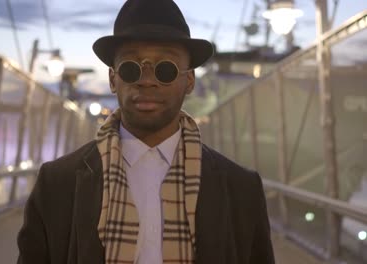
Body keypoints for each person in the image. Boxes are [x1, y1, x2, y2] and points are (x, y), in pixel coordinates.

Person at [17, 0, 275, 263]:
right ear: (112, 79)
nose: (148, 80)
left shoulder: (242, 190)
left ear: (189, 81)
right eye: (131, 68)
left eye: (166, 69)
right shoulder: (56, 185)